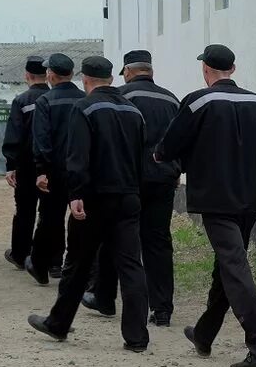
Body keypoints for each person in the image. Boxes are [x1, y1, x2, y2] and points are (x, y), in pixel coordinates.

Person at [157, 44, 256, 367]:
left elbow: (171, 144)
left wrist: (161, 155)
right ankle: (204, 334)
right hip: (248, 201)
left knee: (234, 268)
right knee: (227, 265)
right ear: (232, 70)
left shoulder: (198, 101)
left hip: (214, 200)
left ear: (206, 70)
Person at [28, 56, 151, 351]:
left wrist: (76, 195)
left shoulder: (84, 108)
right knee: (131, 265)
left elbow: (78, 155)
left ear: (85, 79)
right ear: (111, 78)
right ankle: (137, 337)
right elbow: (140, 157)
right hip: (129, 196)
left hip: (95, 198)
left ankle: (58, 323)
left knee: (78, 263)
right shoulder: (134, 110)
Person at [83, 49, 182, 326]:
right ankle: (162, 309)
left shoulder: (120, 97)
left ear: (127, 72)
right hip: (163, 178)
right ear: (150, 71)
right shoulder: (171, 99)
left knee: (116, 238)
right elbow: (180, 138)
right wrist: (176, 169)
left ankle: (104, 297)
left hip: (128, 180)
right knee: (158, 241)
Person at [27, 54, 85, 283]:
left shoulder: (45, 101)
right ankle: (73, 266)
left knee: (50, 218)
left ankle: (44, 264)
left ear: (50, 74)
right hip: (81, 170)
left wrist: (42, 170)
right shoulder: (84, 99)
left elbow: (41, 139)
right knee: (80, 217)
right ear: (71, 74)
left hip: (54, 171)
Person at [2, 55, 52, 270]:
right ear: (47, 75)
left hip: (26, 165)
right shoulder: (54, 98)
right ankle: (49, 256)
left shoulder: (22, 101)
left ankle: (21, 254)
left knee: (24, 210)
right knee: (50, 211)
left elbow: (14, 135)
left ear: (27, 76)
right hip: (52, 165)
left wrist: (10, 165)